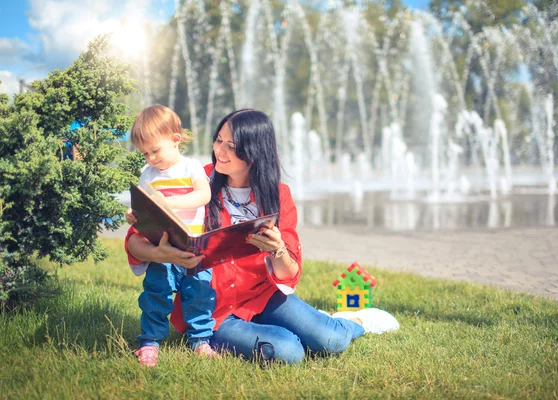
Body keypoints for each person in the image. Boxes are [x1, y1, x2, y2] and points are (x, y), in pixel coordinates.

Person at [125, 109, 399, 365]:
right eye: (218, 140)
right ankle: (213, 337)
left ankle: (356, 321)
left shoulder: (278, 196)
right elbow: (135, 240)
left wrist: (277, 249)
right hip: (212, 309)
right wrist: (159, 254)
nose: (218, 150)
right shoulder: (198, 182)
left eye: (230, 146)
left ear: (253, 152)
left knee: (331, 340)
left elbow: (289, 272)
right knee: (288, 352)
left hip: (261, 295)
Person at [127, 104, 217, 367]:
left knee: (199, 293)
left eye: (155, 150)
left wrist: (171, 203)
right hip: (163, 248)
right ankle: (149, 342)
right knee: (156, 293)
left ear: (175, 140)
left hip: (192, 247)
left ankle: (200, 340)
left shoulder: (190, 167)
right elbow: (142, 205)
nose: (151, 158)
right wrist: (134, 216)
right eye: (145, 153)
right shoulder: (148, 175)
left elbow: (204, 195)